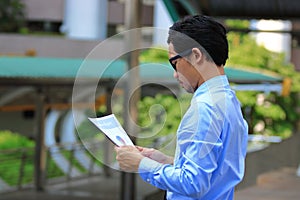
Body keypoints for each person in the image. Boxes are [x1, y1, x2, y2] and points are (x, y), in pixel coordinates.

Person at [115, 15, 248, 200]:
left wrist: (141, 164)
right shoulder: (229, 100)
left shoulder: (206, 107)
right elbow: (214, 172)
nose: (175, 75)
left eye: (175, 63)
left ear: (196, 55)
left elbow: (193, 184)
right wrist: (166, 161)